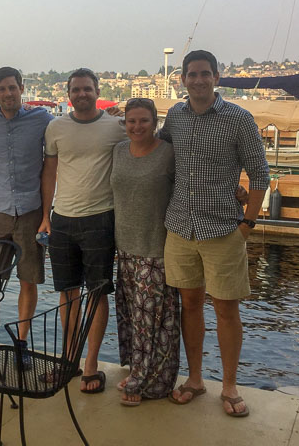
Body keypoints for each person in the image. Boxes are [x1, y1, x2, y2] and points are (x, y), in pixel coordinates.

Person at [160, 50, 269, 417]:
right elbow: (158, 154)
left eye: (205, 74)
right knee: (189, 306)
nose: (198, 80)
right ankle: (194, 379)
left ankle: (230, 385)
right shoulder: (174, 116)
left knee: (226, 310)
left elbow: (260, 174)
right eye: (192, 74)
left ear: (217, 78)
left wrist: (247, 224)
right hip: (180, 227)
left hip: (223, 229)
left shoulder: (239, 119)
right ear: (183, 80)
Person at [38, 68, 125, 394]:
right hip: (62, 220)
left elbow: (144, 147)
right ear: (68, 94)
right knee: (68, 293)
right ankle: (69, 361)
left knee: (97, 292)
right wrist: (46, 215)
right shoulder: (55, 127)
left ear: (96, 90)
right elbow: (49, 172)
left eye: (87, 89)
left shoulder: (116, 127)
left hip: (100, 219)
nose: (82, 94)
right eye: (76, 90)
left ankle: (91, 364)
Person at [0, 67, 54, 362]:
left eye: (12, 88)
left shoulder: (42, 119)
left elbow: (62, 145)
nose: (7, 94)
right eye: (2, 89)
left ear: (22, 88)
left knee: (28, 279)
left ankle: (22, 342)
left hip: (31, 211)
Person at [111, 98, 180, 406]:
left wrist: (235, 190)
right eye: (131, 121)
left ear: (155, 123)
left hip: (155, 247)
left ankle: (146, 381)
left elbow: (193, 183)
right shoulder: (118, 151)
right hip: (124, 247)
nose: (137, 127)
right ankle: (140, 371)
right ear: (124, 124)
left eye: (144, 121)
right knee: (132, 316)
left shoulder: (168, 153)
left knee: (152, 320)